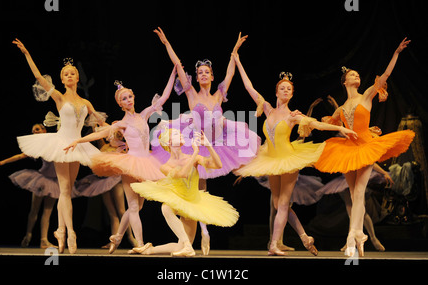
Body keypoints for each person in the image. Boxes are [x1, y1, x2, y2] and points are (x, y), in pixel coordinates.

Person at [232, 48, 357, 256]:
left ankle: (273, 244)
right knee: (276, 202)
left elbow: (317, 124)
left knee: (282, 203)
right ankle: (304, 237)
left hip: (289, 159)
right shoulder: (268, 108)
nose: (286, 91)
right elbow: (248, 86)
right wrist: (236, 60)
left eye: (289, 89)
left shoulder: (293, 115)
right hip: (271, 159)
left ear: (292, 93)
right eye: (282, 88)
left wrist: (340, 128)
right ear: (276, 91)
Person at [153, 28, 260, 254]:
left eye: (206, 72)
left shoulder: (219, 94)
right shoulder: (191, 92)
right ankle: (201, 232)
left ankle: (203, 231)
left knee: (203, 189)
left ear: (212, 76)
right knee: (195, 188)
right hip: (193, 144)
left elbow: (230, 75)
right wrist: (166, 43)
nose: (202, 75)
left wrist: (235, 50)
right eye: (199, 72)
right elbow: (179, 66)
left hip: (215, 144)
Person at [314, 37, 414, 257]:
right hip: (347, 150)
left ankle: (351, 237)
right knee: (353, 194)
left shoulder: (366, 95)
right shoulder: (340, 108)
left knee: (359, 193)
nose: (357, 76)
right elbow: (330, 125)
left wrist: (396, 53)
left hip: (365, 146)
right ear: (345, 81)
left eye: (358, 74)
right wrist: (305, 121)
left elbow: (385, 76)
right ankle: (359, 235)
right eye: (353, 74)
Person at [64, 65, 177, 254]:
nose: (128, 100)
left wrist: (173, 73)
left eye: (130, 97)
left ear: (133, 98)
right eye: (124, 99)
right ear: (120, 104)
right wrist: (78, 140)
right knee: (133, 205)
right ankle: (140, 243)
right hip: (131, 163)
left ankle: (117, 237)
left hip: (147, 162)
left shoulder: (144, 115)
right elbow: (99, 133)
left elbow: (164, 97)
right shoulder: (122, 123)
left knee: (138, 206)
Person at [13, 39, 106, 254]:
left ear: (77, 77)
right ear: (62, 80)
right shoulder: (58, 97)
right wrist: (27, 53)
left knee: (67, 192)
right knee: (65, 191)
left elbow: (102, 125)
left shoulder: (86, 103)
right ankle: (71, 232)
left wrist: (124, 127)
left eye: (72, 73)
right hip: (61, 144)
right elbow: (38, 77)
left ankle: (60, 231)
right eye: (65, 74)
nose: (69, 76)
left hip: (77, 145)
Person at [130, 128, 238, 256]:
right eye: (176, 134)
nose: (180, 134)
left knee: (180, 245)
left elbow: (218, 165)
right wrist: (195, 153)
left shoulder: (195, 157)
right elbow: (182, 173)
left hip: (192, 202)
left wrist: (208, 146)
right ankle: (187, 246)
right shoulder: (165, 166)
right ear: (169, 141)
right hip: (176, 198)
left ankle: (149, 250)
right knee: (166, 208)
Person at [0, 124, 58, 249]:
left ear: (44, 130)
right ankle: (28, 235)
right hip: (42, 179)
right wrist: (4, 161)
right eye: (33, 131)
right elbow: (21, 156)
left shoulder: (53, 141)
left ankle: (43, 240)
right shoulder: (38, 146)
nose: (35, 132)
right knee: (35, 209)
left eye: (37, 129)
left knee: (47, 212)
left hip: (54, 181)